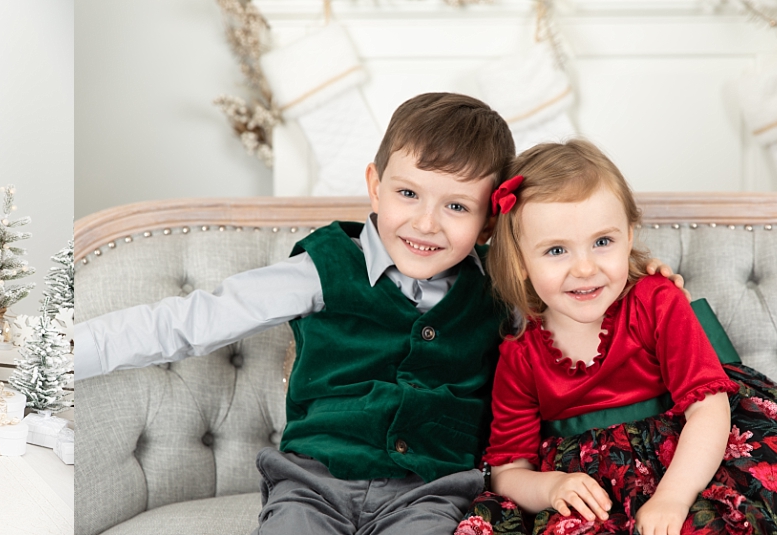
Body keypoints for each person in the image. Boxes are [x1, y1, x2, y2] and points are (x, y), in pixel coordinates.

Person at [74, 93, 517, 534]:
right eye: (407, 193)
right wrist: (66, 351)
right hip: (312, 484)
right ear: (375, 186)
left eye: (456, 206)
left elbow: (565, 343)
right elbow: (197, 320)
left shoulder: (501, 291)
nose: (425, 223)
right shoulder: (324, 268)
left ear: (490, 221)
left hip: (431, 492)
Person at [457, 139, 777, 535]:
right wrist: (551, 488)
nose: (584, 268)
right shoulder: (521, 356)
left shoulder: (654, 301)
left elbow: (709, 410)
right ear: (521, 261)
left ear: (629, 237)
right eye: (556, 250)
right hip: (596, 493)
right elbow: (510, 470)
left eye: (602, 242)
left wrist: (673, 497)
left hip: (695, 457)